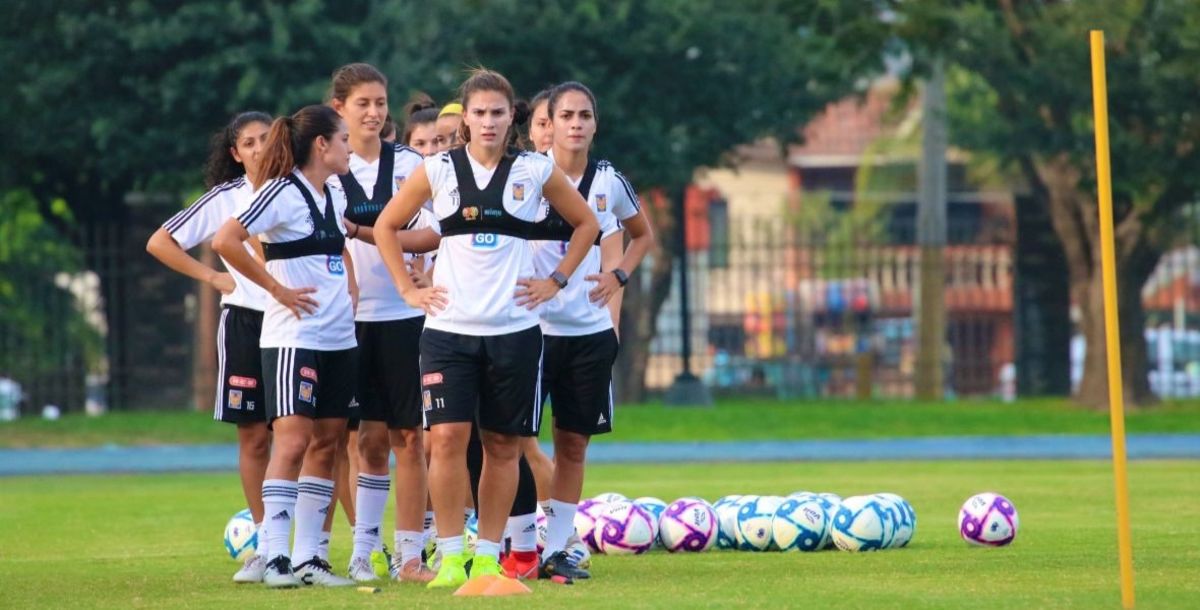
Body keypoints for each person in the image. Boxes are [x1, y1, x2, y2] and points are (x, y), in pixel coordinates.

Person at [372, 68, 599, 590]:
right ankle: (451, 555)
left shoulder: (536, 171)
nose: (489, 121)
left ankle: (489, 556)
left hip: (516, 333)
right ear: (466, 118)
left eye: (498, 112)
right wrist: (409, 292)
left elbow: (586, 223)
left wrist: (557, 281)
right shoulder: (438, 170)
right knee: (445, 441)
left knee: (502, 446)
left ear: (510, 117)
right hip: (448, 332)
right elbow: (387, 226)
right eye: (479, 112)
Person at [212, 104, 358, 589]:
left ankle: (310, 559)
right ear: (322, 145)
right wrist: (277, 290)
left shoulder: (333, 193)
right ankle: (275, 557)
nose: (349, 147)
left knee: (328, 442)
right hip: (293, 337)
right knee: (292, 439)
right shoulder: (280, 191)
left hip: (339, 338)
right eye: (343, 139)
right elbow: (227, 241)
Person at [533, 81, 655, 581]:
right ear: (551, 122)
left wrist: (618, 275)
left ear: (594, 124)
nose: (576, 124)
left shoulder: (610, 181)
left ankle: (560, 544)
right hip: (531, 331)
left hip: (587, 334)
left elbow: (642, 235)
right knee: (512, 438)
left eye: (585, 115)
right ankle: (521, 540)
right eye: (567, 115)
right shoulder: (528, 175)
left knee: (573, 444)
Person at [146, 111, 274, 584]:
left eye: (267, 138)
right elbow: (160, 242)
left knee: (303, 438)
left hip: (297, 325)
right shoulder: (226, 199)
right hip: (244, 322)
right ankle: (264, 542)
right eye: (249, 142)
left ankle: (305, 548)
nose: (260, 147)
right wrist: (214, 276)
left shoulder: (300, 189)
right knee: (255, 435)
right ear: (235, 153)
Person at [326, 62, 436, 584]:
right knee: (363, 442)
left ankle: (411, 554)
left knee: (409, 439)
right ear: (339, 110)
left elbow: (433, 235)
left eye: (379, 102)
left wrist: (369, 234)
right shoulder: (324, 168)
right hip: (347, 322)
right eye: (362, 103)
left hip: (404, 317)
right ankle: (364, 550)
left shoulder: (412, 164)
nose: (373, 112)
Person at [527, 89, 554, 153]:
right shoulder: (519, 163)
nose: (550, 132)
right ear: (530, 131)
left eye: (556, 124)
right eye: (542, 124)